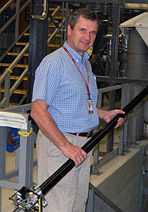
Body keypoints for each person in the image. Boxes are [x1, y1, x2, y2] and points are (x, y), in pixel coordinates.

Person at [31, 8, 124, 212]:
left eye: (92, 32)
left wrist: (104, 115)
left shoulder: (84, 63)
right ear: (69, 30)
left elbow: (78, 103)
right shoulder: (54, 63)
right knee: (59, 206)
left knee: (76, 204)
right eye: (83, 30)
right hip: (61, 144)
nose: (87, 37)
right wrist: (65, 146)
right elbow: (37, 111)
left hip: (83, 144)